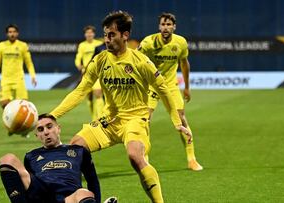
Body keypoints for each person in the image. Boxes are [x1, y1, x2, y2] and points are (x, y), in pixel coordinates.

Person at [49, 11, 192, 203]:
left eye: (111, 35)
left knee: (134, 155)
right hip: (110, 120)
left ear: (125, 35)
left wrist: (176, 122)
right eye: (105, 35)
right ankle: (91, 199)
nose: (106, 40)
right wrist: (52, 116)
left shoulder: (140, 61)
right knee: (76, 147)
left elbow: (164, 90)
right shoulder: (100, 61)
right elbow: (80, 91)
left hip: (135, 119)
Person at [138, 13, 203, 171]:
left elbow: (184, 64)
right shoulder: (148, 42)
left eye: (169, 24)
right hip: (152, 86)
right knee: (144, 120)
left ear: (174, 27)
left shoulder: (180, 42)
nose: (165, 27)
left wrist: (187, 87)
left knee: (181, 119)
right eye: (163, 24)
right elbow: (134, 60)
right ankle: (144, 158)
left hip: (171, 86)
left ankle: (191, 158)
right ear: (159, 27)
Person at [0, 114, 101, 203]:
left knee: (83, 193)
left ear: (58, 128)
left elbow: (93, 181)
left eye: (49, 126)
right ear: (37, 135)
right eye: (40, 129)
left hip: (69, 197)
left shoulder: (79, 151)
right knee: (8, 159)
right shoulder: (31, 156)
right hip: (41, 196)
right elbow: (25, 184)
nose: (46, 132)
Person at [0, 24, 37, 109]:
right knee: (5, 105)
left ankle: (20, 122)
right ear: (7, 34)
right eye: (10, 32)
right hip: (6, 79)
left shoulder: (23, 45)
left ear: (17, 33)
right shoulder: (2, 45)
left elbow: (29, 63)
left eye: (14, 32)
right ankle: (9, 122)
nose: (12, 34)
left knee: (23, 106)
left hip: (19, 79)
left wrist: (33, 76)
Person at [75, 25, 105, 120]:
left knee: (98, 93)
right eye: (87, 32)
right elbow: (78, 58)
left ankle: (100, 119)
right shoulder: (82, 45)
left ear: (94, 34)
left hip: (97, 72)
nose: (89, 34)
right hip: (86, 73)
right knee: (89, 98)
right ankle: (93, 118)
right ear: (85, 34)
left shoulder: (99, 44)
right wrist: (78, 65)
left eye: (91, 32)